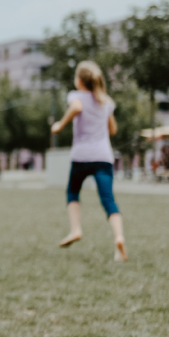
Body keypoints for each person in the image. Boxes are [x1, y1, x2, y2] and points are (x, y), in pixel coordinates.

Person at [51, 60, 127, 262]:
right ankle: (119, 238)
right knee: (108, 200)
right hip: (103, 157)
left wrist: (60, 125)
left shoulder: (76, 96)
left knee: (73, 192)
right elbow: (112, 130)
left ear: (79, 81)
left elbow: (76, 107)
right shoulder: (106, 101)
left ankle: (76, 229)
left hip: (81, 156)